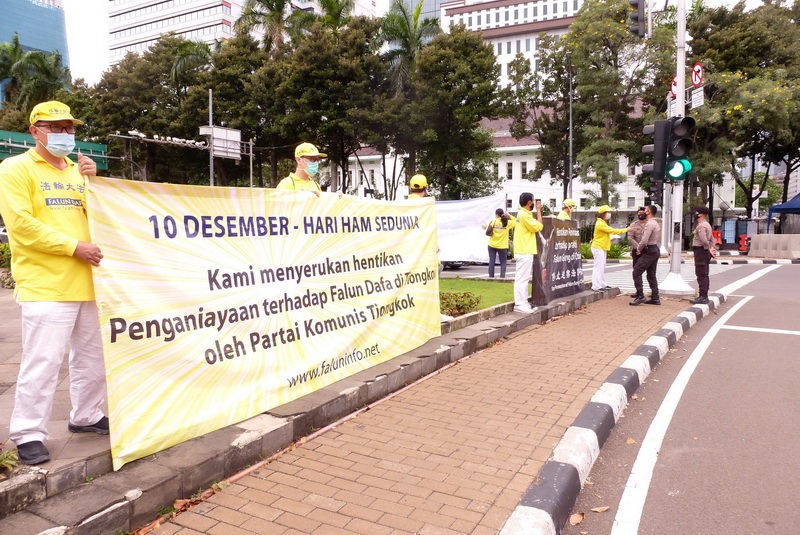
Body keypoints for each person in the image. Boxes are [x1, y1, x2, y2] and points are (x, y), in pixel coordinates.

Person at [0, 101, 108, 466]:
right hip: (47, 284)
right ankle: (29, 433)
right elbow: (21, 225)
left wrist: (95, 184)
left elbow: (102, 218)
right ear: (35, 130)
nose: (64, 134)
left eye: (69, 128)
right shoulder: (15, 168)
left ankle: (87, 415)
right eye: (55, 127)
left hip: (89, 282)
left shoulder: (80, 173)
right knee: (43, 362)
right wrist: (73, 247)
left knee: (92, 360)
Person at [404, 173, 453, 321]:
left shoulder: (404, 204)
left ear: (410, 188)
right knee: (428, 287)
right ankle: (432, 315)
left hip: (409, 254)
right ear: (426, 187)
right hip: (425, 255)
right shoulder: (425, 206)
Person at [513, 192, 543, 313]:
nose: (534, 203)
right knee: (522, 279)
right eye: (533, 201)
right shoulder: (524, 215)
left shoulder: (524, 214)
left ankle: (523, 302)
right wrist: (539, 210)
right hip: (524, 250)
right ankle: (520, 304)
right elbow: (539, 226)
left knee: (524, 278)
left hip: (525, 250)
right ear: (529, 202)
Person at [590, 205, 628, 292]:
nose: (609, 214)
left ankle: (602, 284)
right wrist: (627, 229)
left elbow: (604, 235)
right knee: (598, 267)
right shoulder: (600, 223)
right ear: (603, 213)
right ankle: (596, 286)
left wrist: (610, 238)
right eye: (608, 212)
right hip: (598, 247)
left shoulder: (603, 222)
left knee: (602, 267)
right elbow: (612, 230)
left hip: (602, 247)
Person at [630, 204, 661, 306]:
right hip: (653, 250)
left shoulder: (650, 224)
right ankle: (655, 298)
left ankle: (640, 296)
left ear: (649, 212)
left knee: (636, 271)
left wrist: (639, 249)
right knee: (651, 275)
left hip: (649, 250)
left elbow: (644, 240)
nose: (644, 212)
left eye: (646, 210)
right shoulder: (654, 223)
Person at [690, 205, 718, 305]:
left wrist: (708, 248)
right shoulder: (707, 224)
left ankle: (703, 296)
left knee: (701, 274)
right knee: (704, 273)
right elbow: (712, 239)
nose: (695, 214)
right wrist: (712, 248)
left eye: (696, 212)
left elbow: (704, 240)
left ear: (701, 214)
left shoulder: (701, 226)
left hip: (701, 251)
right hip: (704, 251)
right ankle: (703, 295)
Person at [485, 208, 515, 278]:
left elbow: (488, 229)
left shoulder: (493, 222)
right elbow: (516, 221)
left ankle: (491, 277)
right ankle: (502, 277)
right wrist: (509, 215)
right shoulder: (507, 223)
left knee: (492, 260)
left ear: (496, 215)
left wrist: (485, 227)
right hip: (503, 246)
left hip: (492, 244)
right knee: (503, 262)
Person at [626, 206, 647, 297]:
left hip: (647, 250)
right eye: (638, 214)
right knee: (636, 271)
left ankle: (654, 295)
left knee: (649, 273)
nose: (640, 215)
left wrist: (641, 248)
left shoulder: (649, 224)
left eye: (642, 213)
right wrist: (638, 248)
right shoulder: (633, 225)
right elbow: (630, 238)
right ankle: (639, 291)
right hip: (636, 251)